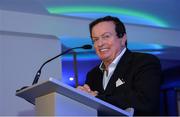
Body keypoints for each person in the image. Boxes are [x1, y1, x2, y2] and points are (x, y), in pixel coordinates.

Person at [77, 16, 162, 116]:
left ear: (122, 38)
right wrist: (81, 97)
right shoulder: (93, 74)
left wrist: (96, 97)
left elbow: (146, 101)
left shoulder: (144, 62)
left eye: (106, 36)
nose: (100, 44)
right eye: (95, 39)